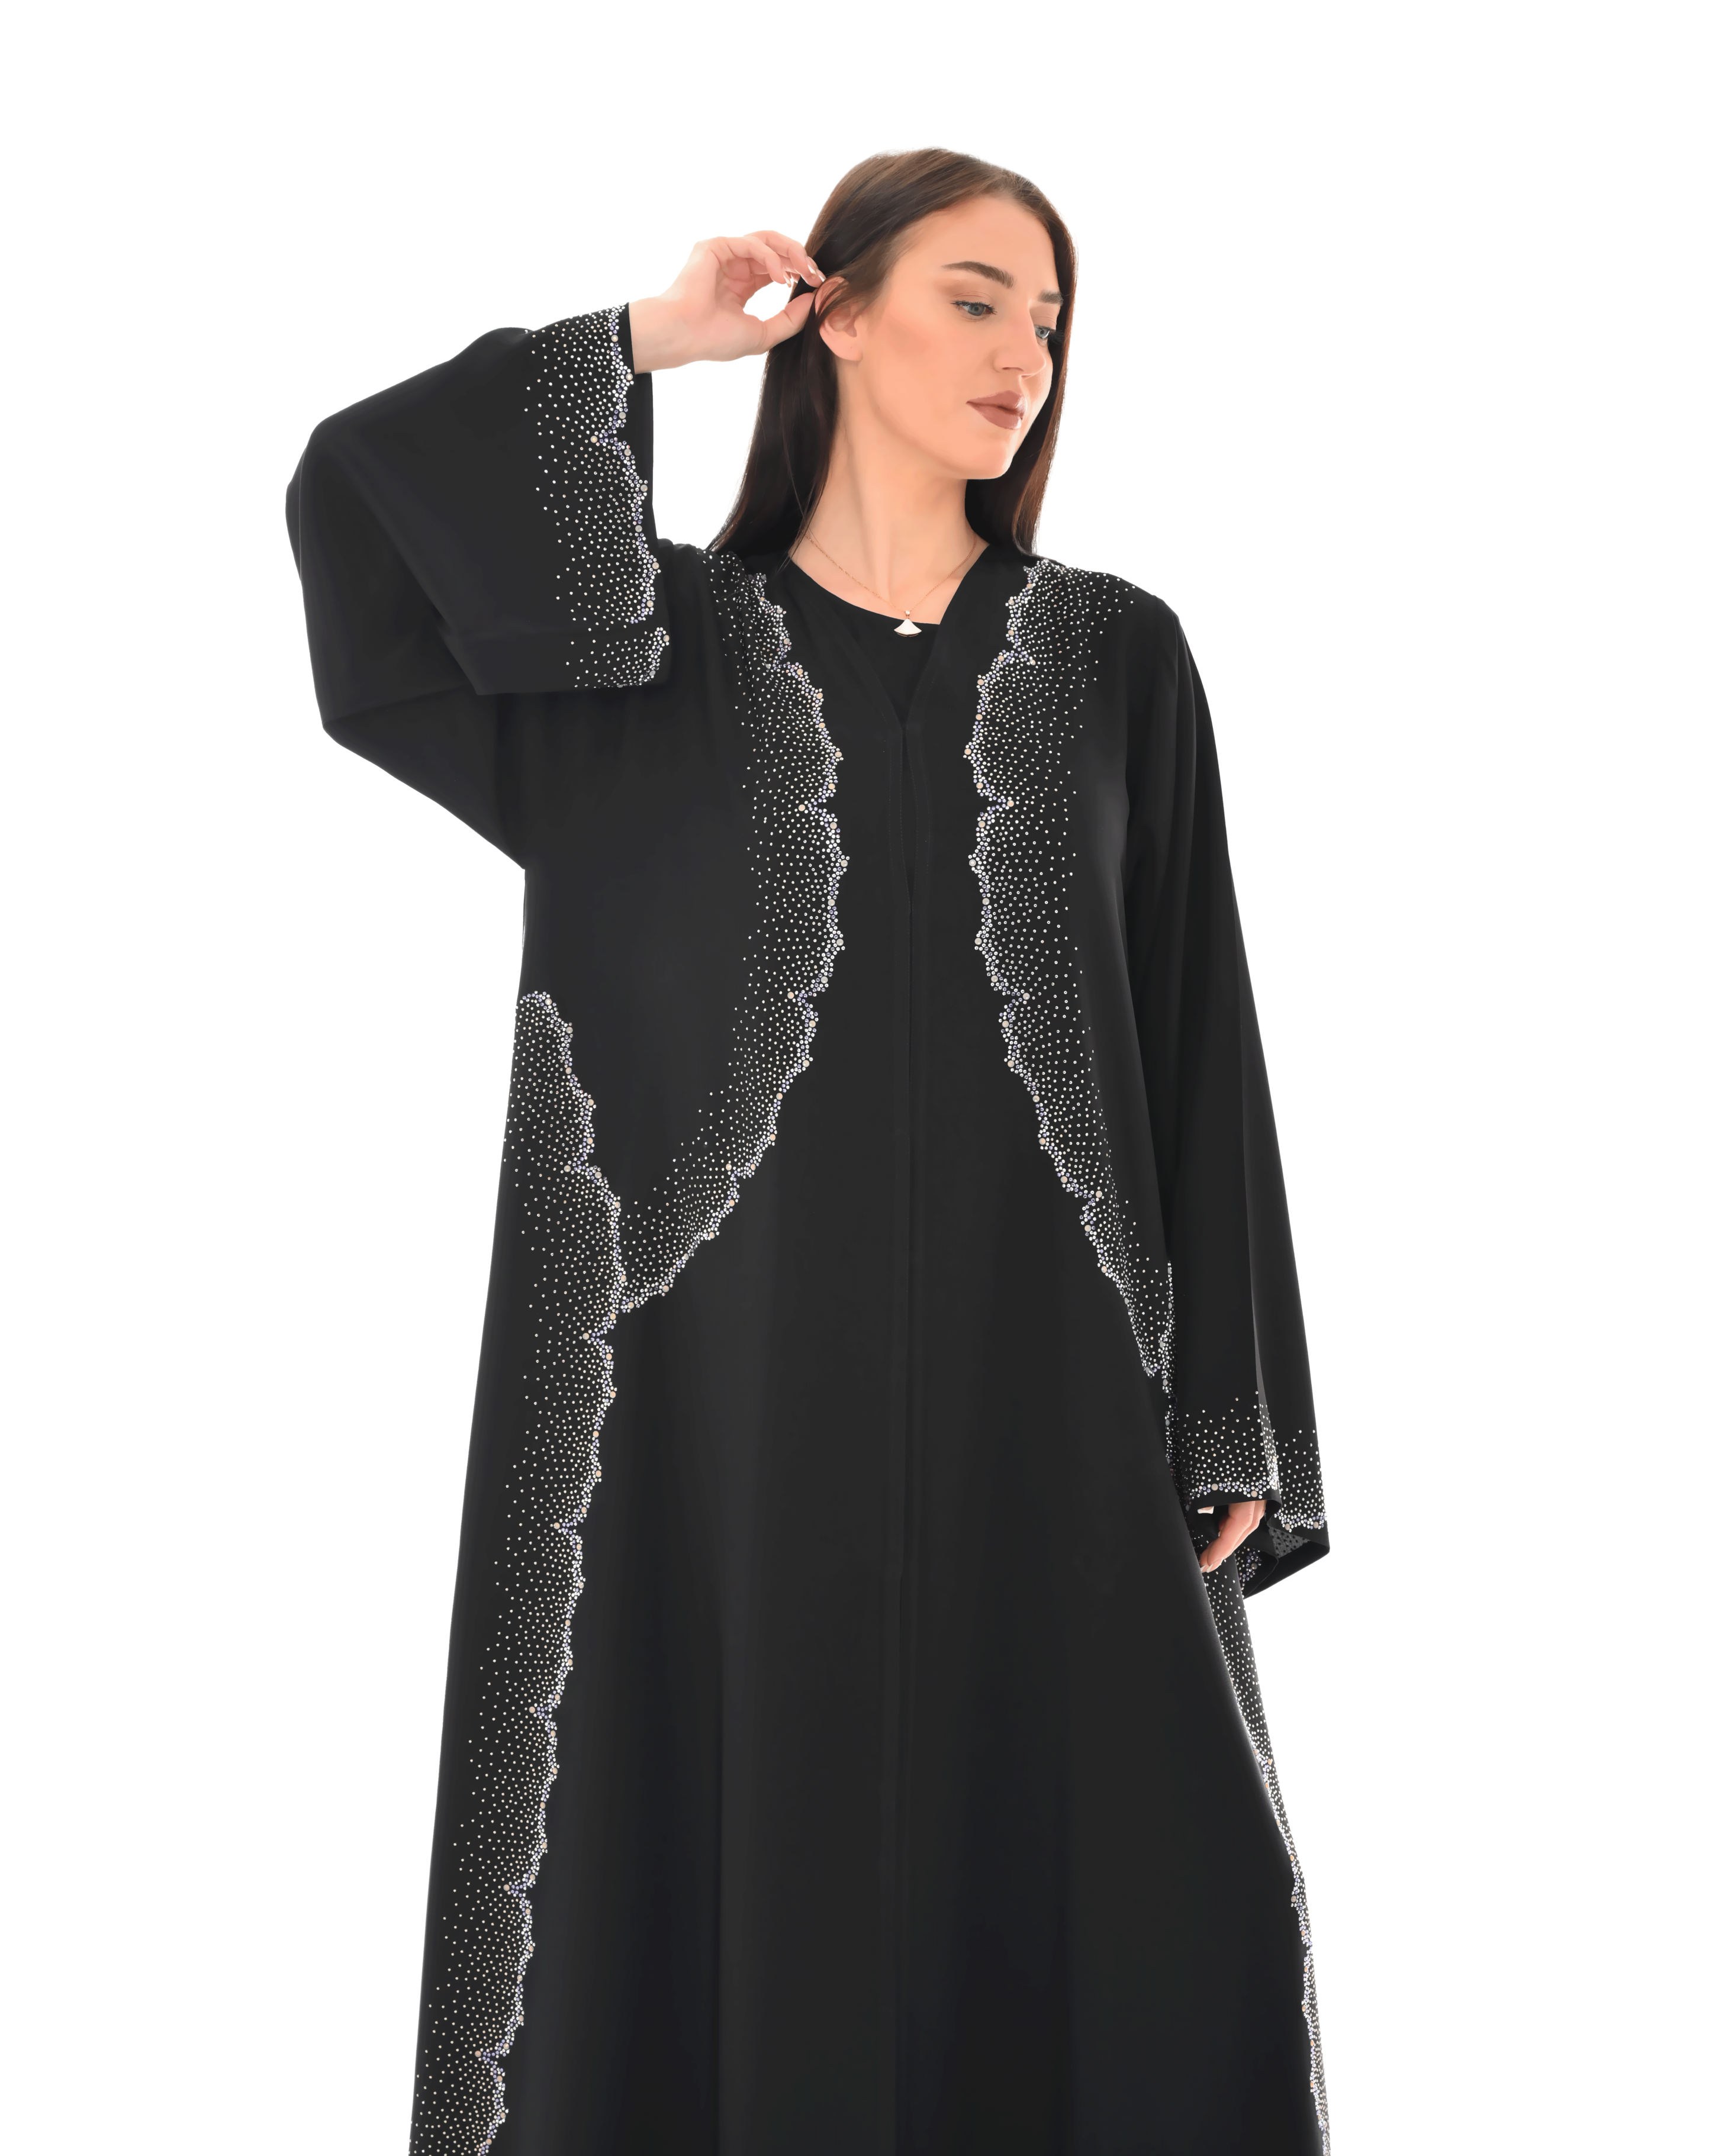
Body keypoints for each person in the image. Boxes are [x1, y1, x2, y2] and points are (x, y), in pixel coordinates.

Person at [288, 146, 1331, 2156]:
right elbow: (360, 513)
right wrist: (644, 341)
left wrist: (1234, 1407)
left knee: (1139, 1894)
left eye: (1050, 321)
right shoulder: (635, 658)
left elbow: (1201, 1029)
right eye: (974, 298)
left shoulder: (1118, 655)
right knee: (685, 1878)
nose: (1023, 355)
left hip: (1055, 1393)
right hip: (708, 1411)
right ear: (834, 313)